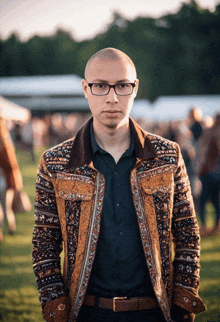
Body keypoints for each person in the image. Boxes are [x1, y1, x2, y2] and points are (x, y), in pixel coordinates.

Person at [32, 48, 206, 322]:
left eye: (122, 86)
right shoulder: (55, 163)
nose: (112, 98)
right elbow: (45, 245)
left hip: (155, 313)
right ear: (85, 89)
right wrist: (56, 307)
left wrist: (183, 304)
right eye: (100, 86)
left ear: (135, 88)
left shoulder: (167, 156)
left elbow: (187, 235)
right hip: (85, 313)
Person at [195, 112, 220, 237]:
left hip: (208, 171)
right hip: (217, 172)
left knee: (202, 201)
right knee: (216, 201)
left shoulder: (210, 133)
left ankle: (205, 227)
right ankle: (216, 227)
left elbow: (202, 152)